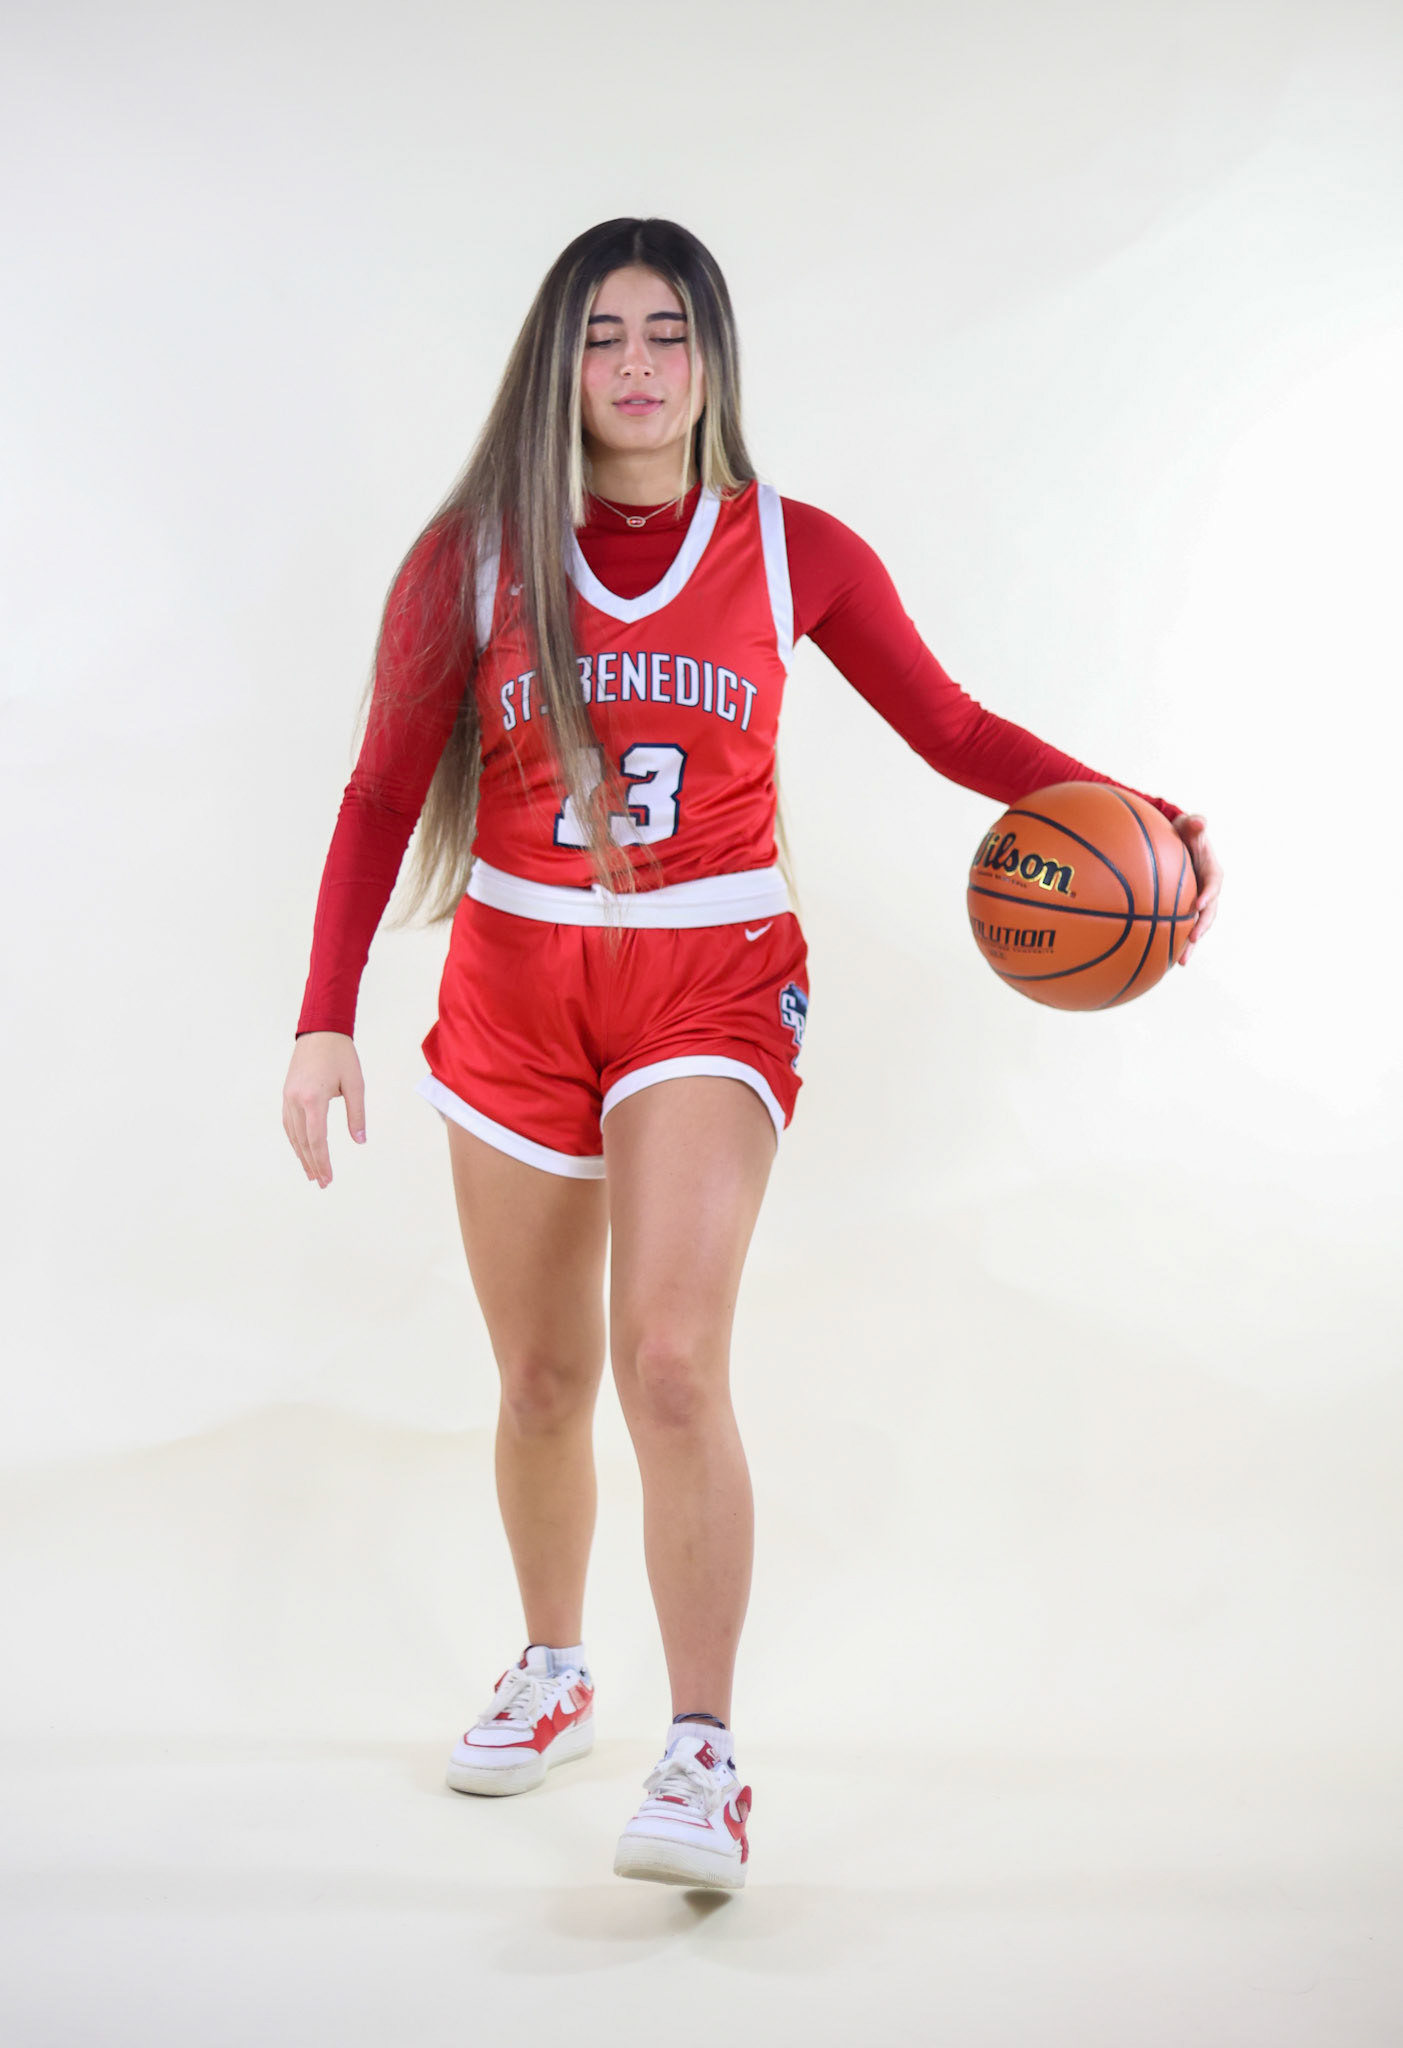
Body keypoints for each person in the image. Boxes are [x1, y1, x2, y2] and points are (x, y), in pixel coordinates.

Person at [282, 217, 1222, 1893]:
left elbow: (953, 730)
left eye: (669, 334)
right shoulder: (472, 562)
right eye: (602, 337)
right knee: (542, 1380)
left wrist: (1130, 812)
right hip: (510, 976)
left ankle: (703, 1756)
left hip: (709, 983)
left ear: (714, 360)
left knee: (667, 1361)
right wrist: (319, 1019)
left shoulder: (797, 550)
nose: (637, 368)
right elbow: (374, 795)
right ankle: (556, 1669)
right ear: (553, 362)